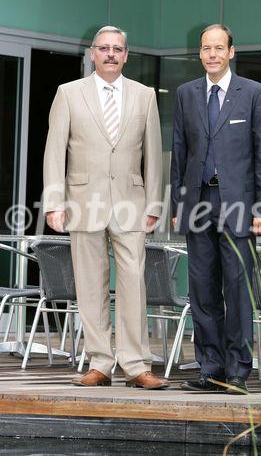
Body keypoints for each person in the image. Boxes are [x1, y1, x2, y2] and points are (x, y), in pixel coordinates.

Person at [43, 25, 169, 389]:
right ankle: (100, 362)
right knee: (90, 284)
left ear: (126, 55)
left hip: (132, 203)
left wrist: (155, 203)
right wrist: (54, 202)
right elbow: (54, 153)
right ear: (93, 54)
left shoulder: (145, 96)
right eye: (104, 48)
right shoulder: (68, 94)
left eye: (118, 49)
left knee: (133, 282)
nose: (111, 54)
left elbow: (153, 156)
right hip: (83, 201)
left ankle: (136, 365)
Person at [171, 24, 261, 394]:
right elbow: (180, 154)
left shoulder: (254, 94)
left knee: (236, 288)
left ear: (231, 52)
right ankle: (210, 368)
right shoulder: (186, 94)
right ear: (199, 53)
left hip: (239, 205)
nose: (212, 54)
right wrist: (177, 204)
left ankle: (237, 371)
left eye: (219, 48)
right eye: (205, 48)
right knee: (202, 289)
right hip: (198, 203)